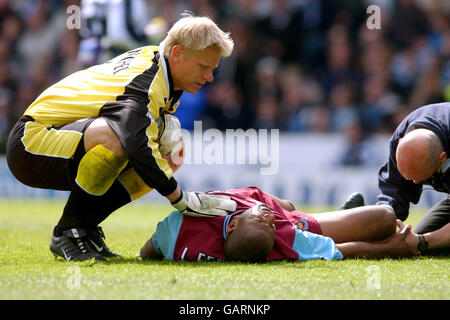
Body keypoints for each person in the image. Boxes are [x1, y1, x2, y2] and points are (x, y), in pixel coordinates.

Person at [6, 12, 237, 262]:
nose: (210, 77)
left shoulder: (159, 64)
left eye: (213, 69)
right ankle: (68, 230)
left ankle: (85, 228)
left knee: (170, 151)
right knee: (120, 138)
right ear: (178, 54)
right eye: (204, 67)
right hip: (30, 142)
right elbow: (135, 140)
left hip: (58, 133)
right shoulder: (146, 82)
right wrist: (180, 198)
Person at [139, 186, 412, 263]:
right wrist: (390, 247)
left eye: (262, 218)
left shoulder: (177, 230)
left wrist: (152, 254)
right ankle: (340, 214)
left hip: (264, 201)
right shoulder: (283, 237)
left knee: (288, 204)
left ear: (232, 226)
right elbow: (339, 250)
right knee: (385, 218)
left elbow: (146, 251)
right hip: (294, 222)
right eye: (267, 223)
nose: (268, 217)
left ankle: (337, 213)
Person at [376, 102, 450, 256]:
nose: (415, 183)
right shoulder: (403, 135)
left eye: (421, 177)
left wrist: (424, 241)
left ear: (442, 158)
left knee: (425, 242)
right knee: (418, 241)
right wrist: (381, 223)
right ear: (400, 144)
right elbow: (394, 191)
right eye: (408, 177)